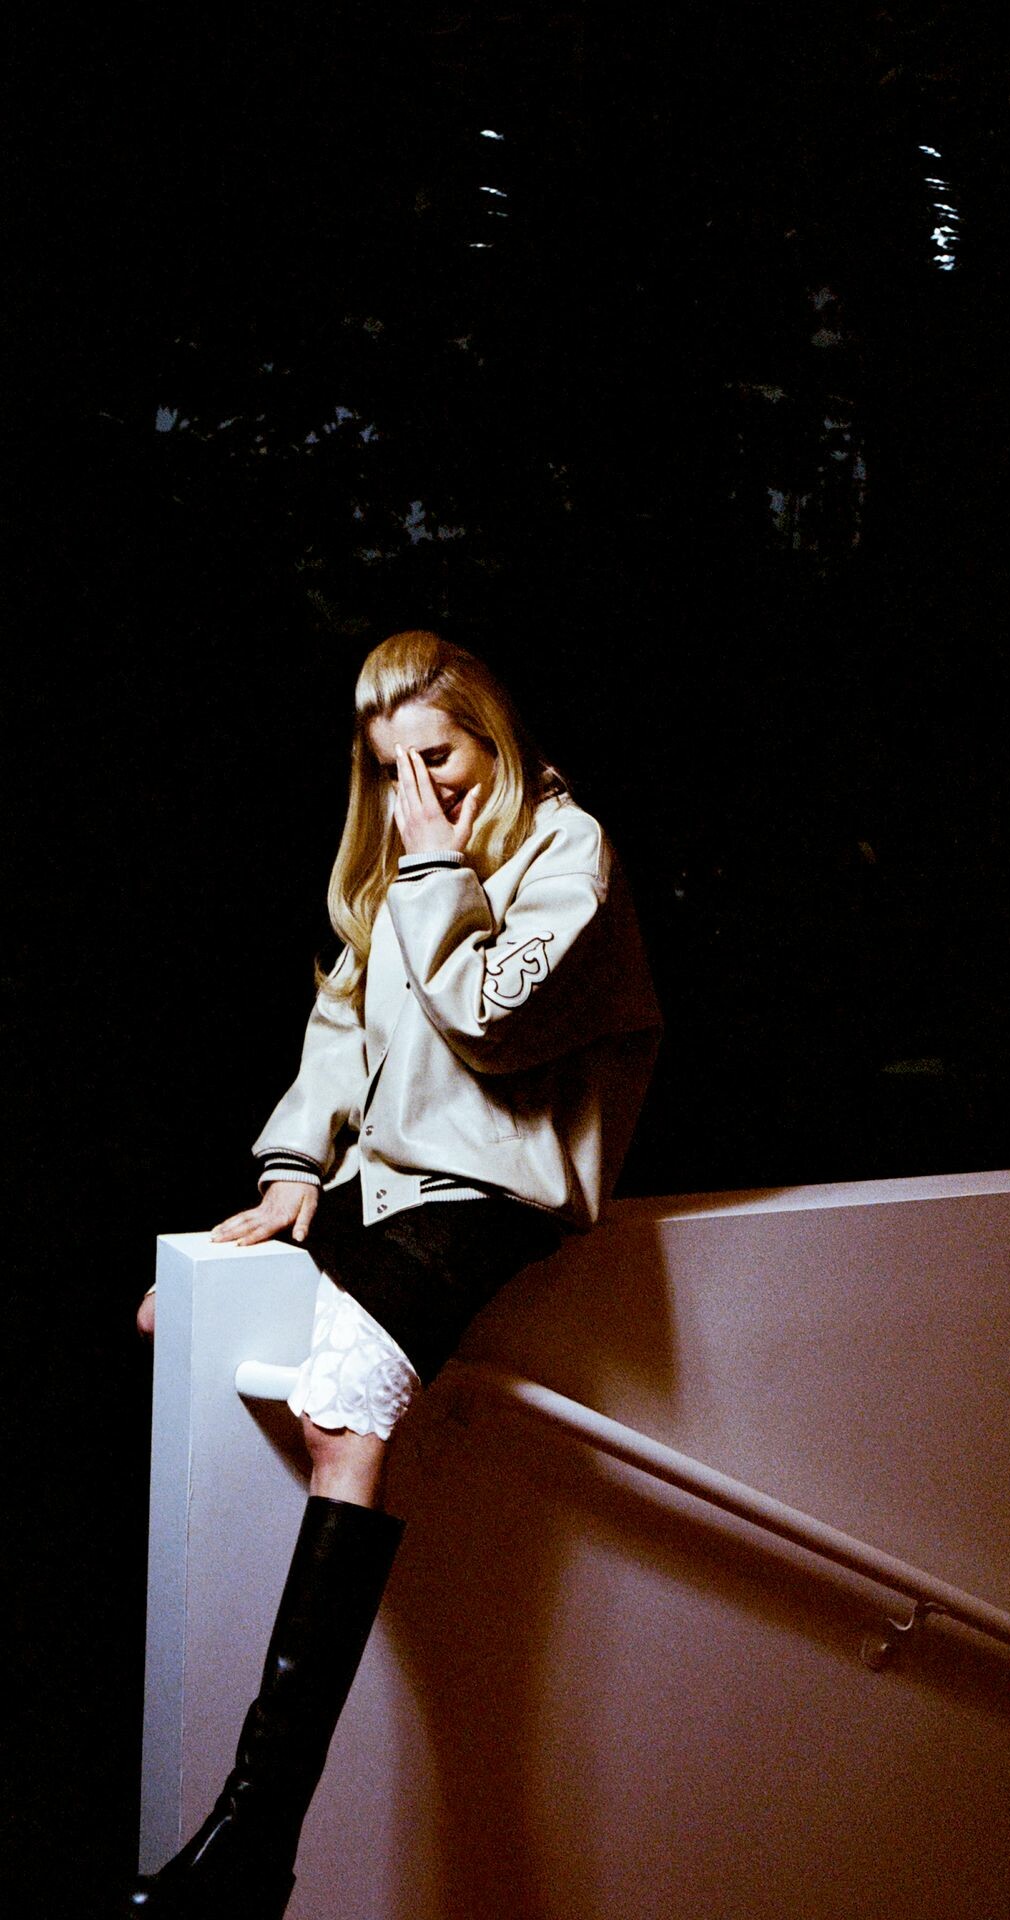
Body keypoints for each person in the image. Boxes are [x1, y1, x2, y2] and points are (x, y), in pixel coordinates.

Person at [127, 629, 662, 1917]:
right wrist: (293, 1169)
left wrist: (433, 872)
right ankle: (251, 1855)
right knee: (177, 1313)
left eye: (441, 758)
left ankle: (252, 1835)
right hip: (395, 1195)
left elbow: (495, 1018)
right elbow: (341, 1030)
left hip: (501, 1196)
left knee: (341, 1409)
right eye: (388, 767)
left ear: (495, 741)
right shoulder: (393, 874)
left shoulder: (567, 851)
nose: (418, 789)